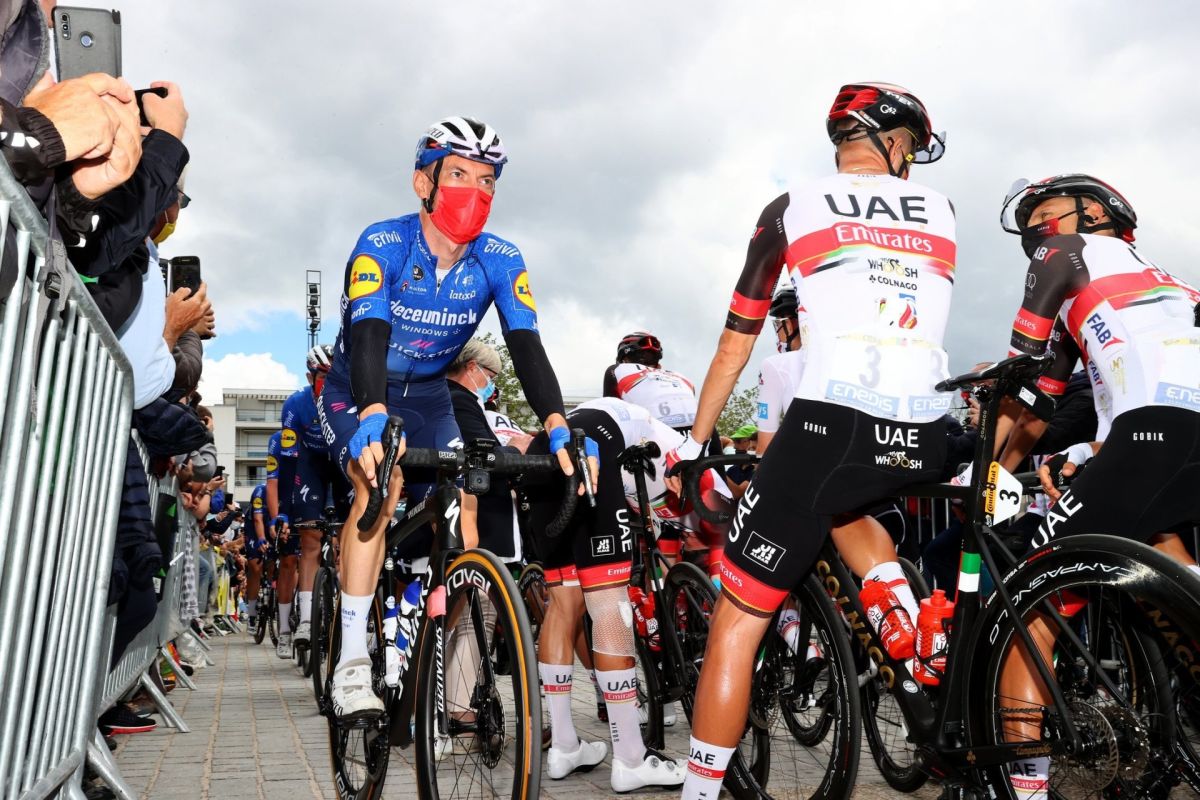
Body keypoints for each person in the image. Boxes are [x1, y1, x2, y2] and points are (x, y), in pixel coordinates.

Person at [668, 82, 954, 799]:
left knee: (737, 622)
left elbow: (735, 345)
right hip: (929, 427)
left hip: (834, 423)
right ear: (894, 143)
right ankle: (905, 629)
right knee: (846, 503)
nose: (912, 160)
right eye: (913, 148)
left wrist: (695, 446)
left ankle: (699, 791)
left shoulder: (790, 207)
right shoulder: (942, 208)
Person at [317, 116, 593, 720]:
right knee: (379, 483)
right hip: (357, 390)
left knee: (467, 502)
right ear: (425, 183)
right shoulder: (383, 243)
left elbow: (526, 345)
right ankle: (352, 661)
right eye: (461, 175)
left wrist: (557, 423)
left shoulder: (499, 257)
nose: (477, 191)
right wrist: (372, 412)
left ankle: (429, 641)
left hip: (431, 397)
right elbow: (369, 333)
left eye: (488, 180)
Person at [991, 173, 1200, 797]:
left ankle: (1023, 786)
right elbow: (1042, 406)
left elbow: (1022, 376)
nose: (1037, 227)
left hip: (1156, 435)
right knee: (1168, 556)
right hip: (1164, 438)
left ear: (1097, 214)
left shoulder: (1067, 253)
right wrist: (1030, 457)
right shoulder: (1167, 285)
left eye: (1047, 211)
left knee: (1030, 602)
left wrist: (985, 467)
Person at [526, 396, 728, 791]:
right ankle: (632, 759)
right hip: (593, 446)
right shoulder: (705, 478)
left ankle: (564, 747)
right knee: (609, 604)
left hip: (548, 445)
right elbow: (711, 526)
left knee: (564, 605)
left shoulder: (661, 441)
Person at [274, 345, 349, 659]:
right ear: (310, 377)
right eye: (322, 377)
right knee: (310, 540)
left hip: (341, 464)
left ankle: (351, 615)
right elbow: (288, 460)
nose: (328, 383)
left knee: (348, 538)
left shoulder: (350, 397)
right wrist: (284, 510)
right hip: (310, 465)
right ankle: (305, 620)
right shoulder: (295, 405)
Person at [603, 332, 699, 430]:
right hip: (699, 430)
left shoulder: (616, 369)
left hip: (657, 432)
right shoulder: (682, 377)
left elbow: (610, 414)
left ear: (624, 360)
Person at [243, 481, 269, 634]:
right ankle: (252, 613)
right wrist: (261, 539)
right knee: (255, 567)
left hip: (274, 524)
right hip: (254, 525)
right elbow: (258, 519)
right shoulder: (260, 491)